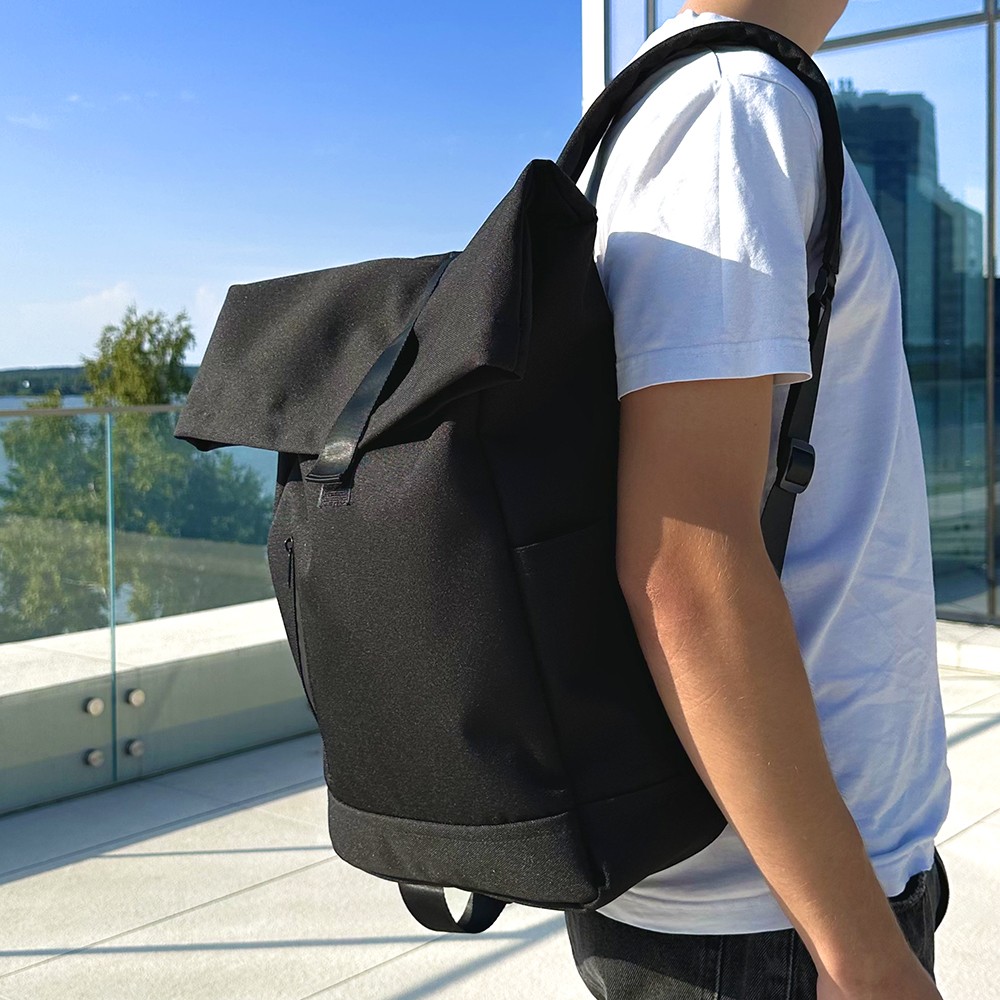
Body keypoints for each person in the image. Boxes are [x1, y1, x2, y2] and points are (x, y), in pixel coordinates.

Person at [567, 2, 952, 998]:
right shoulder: (731, 107)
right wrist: (864, 955)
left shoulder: (704, 97)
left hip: (781, 905)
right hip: (774, 927)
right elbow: (685, 565)